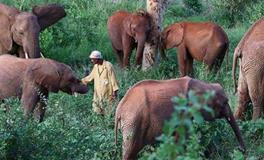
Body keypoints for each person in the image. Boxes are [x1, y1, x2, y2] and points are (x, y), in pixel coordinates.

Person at [82, 50, 119, 115]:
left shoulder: (108, 66)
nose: (92, 61)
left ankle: (108, 124)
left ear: (97, 59)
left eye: (93, 59)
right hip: (98, 94)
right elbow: (91, 77)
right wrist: (81, 81)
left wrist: (115, 92)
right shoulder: (96, 67)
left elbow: (113, 79)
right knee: (97, 110)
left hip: (107, 94)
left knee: (108, 112)